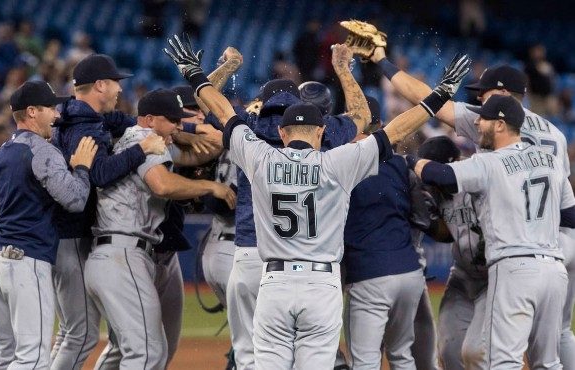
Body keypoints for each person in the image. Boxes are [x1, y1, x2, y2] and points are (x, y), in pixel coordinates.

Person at [164, 33, 470, 369]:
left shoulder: (261, 157)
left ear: (282, 134)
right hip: (321, 282)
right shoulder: (338, 162)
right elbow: (393, 131)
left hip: (273, 280)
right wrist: (439, 96)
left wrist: (193, 73)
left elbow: (223, 112)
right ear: (321, 132)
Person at [370, 46, 575, 368]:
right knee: (556, 341)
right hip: (555, 246)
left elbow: (430, 114)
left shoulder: (492, 154)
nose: (479, 104)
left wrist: (382, 62)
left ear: (505, 102)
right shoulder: (554, 141)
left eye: (486, 96)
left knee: (499, 357)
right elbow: (568, 211)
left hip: (514, 255)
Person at [209, 43, 370, 370]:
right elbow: (361, 117)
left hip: (250, 255)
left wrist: (229, 67)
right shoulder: (319, 132)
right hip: (307, 259)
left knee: (248, 356)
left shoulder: (246, 126)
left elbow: (204, 98)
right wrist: (342, 69)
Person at [408, 94, 575, 369]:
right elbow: (570, 214)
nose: (476, 122)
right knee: (547, 362)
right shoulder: (549, 160)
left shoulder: (491, 163)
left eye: (483, 118)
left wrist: (409, 161)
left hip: (514, 268)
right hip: (553, 271)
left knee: (503, 361)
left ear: (500, 125)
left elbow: (443, 175)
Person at [84, 88, 236, 369]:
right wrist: (210, 186)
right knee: (146, 353)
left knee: (144, 351)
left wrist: (192, 133)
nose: (179, 125)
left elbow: (203, 152)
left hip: (120, 254)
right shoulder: (143, 138)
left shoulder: (151, 139)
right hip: (123, 253)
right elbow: (163, 185)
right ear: (151, 119)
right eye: (173, 120)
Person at [50, 53, 167, 370]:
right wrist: (142, 147)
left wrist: (156, 126)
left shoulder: (74, 114)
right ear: (100, 85)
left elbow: (120, 121)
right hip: (71, 235)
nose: (119, 89)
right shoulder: (84, 125)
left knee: (73, 334)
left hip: (62, 235)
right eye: (115, 83)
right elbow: (100, 174)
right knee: (82, 335)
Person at [0, 81, 97, 369]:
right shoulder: (42, 152)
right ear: (32, 112)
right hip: (26, 259)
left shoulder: (2, 152)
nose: (56, 114)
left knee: (4, 356)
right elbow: (74, 200)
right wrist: (82, 168)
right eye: (50, 108)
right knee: (32, 358)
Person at [342, 97, 431, 370]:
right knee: (401, 354)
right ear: (380, 124)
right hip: (409, 273)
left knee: (365, 361)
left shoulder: (345, 163)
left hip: (370, 274)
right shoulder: (400, 164)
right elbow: (420, 218)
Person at [417, 136, 487, 370]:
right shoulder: (435, 192)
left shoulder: (481, 178)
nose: (431, 179)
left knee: (480, 351)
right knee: (449, 350)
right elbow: (446, 233)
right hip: (463, 276)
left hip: (495, 277)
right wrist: (428, 222)